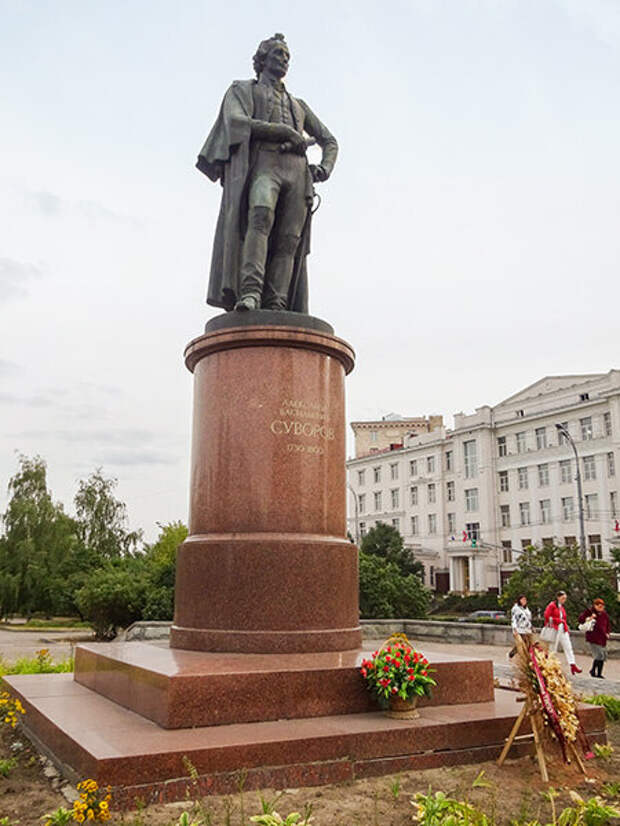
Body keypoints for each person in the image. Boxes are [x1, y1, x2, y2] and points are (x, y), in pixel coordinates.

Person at [196, 33, 338, 313]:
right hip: (264, 165)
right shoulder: (242, 90)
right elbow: (236, 121)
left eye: (287, 56)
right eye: (277, 54)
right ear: (262, 60)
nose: (284, 60)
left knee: (289, 239)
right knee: (259, 216)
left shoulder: (299, 105)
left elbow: (330, 141)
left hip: (297, 173)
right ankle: (250, 293)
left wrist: (324, 168)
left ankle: (277, 302)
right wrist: (284, 131)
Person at [544, 590, 582, 675]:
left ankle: (572, 664)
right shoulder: (552, 605)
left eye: (565, 598)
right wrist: (558, 620)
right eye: (563, 598)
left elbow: (563, 617)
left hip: (562, 628)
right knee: (553, 648)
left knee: (568, 646)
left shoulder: (561, 607)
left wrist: (564, 623)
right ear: (558, 597)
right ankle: (550, 664)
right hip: (555, 628)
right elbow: (547, 616)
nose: (564, 600)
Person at [578, 598, 611, 678]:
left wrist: (607, 633)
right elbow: (580, 619)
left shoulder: (604, 614)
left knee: (603, 656)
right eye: (599, 606)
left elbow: (607, 624)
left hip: (602, 638)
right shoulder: (589, 612)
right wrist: (589, 618)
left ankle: (597, 672)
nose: (601, 608)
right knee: (599, 655)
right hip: (593, 637)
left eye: (602, 607)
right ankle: (594, 672)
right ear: (595, 606)